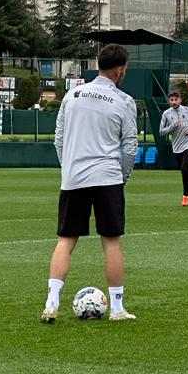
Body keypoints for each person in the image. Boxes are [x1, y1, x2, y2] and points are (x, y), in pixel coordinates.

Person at [41, 43, 138, 323]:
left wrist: (69, 166)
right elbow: (130, 146)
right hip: (107, 177)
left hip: (73, 178)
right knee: (111, 242)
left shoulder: (71, 96)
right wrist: (123, 176)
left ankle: (51, 303)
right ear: (120, 70)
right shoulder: (123, 101)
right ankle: (117, 309)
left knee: (65, 240)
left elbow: (58, 139)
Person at [159, 91, 188, 206]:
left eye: (175, 99)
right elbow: (161, 131)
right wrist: (173, 126)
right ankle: (185, 196)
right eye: (171, 100)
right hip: (177, 146)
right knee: (185, 171)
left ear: (180, 99)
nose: (173, 102)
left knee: (184, 168)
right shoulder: (166, 114)